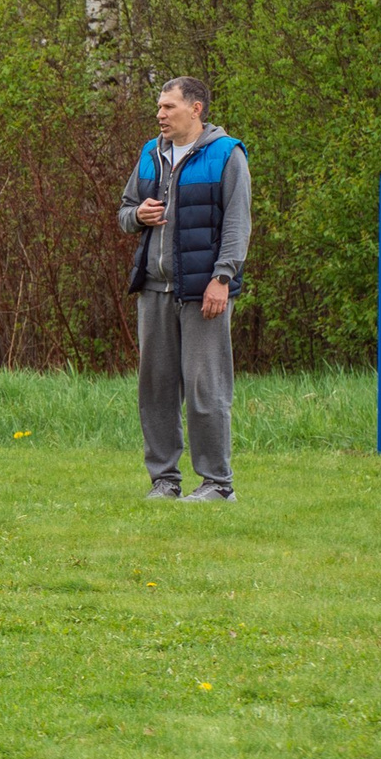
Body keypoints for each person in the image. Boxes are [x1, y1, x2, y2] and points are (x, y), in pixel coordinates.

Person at [120, 76, 250, 501]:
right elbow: (123, 213)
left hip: (204, 293)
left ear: (195, 109)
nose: (160, 114)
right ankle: (165, 480)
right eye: (158, 107)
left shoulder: (225, 155)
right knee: (155, 389)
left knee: (204, 389)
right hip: (153, 291)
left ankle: (217, 483)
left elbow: (237, 223)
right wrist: (138, 213)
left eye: (168, 107)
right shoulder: (150, 154)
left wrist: (222, 278)